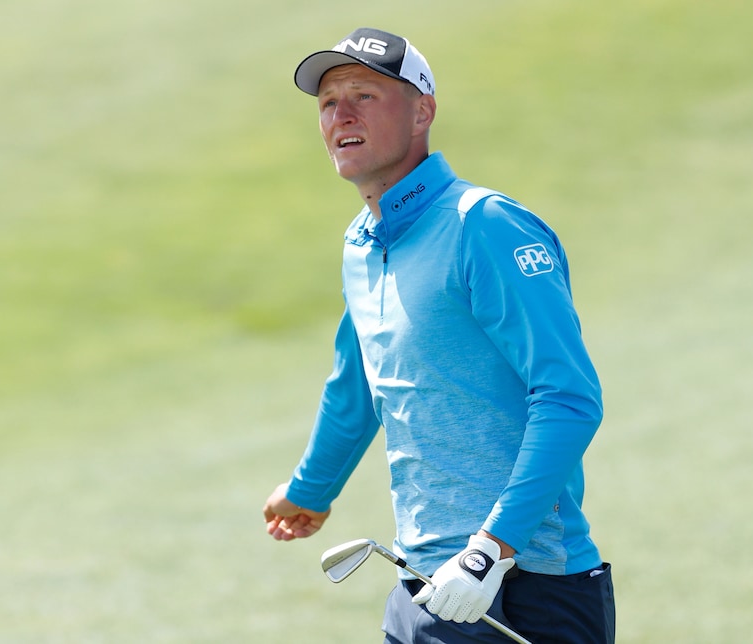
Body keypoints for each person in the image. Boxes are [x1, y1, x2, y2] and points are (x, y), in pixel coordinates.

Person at [262, 27, 616, 643]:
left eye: (365, 96)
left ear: (422, 111)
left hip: (524, 589)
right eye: (327, 102)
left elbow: (568, 397)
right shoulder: (362, 244)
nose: (340, 115)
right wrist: (310, 490)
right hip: (422, 583)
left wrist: (489, 550)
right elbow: (357, 384)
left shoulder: (486, 226)